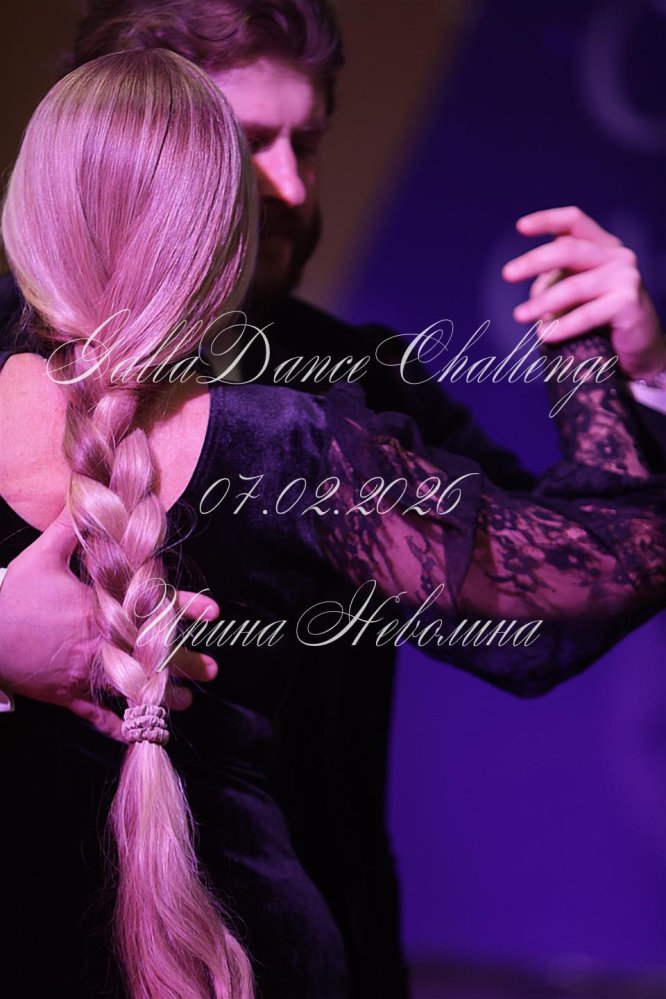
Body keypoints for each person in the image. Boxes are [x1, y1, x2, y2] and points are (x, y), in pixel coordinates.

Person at [1, 3, 665, 997]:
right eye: (243, 143)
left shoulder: (361, 386)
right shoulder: (300, 438)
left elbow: (545, 608)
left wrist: (638, 374)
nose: (288, 185)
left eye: (306, 142)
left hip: (288, 945)